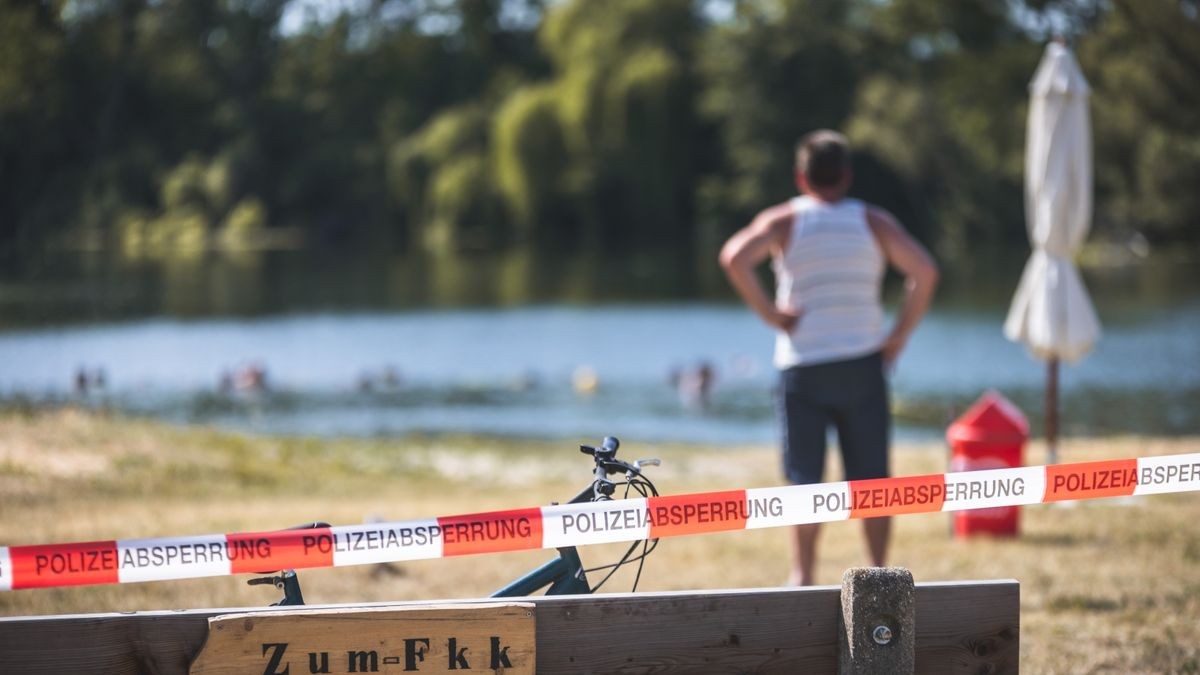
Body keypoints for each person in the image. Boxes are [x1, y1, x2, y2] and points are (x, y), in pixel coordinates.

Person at [719, 130, 939, 586]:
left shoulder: (784, 220)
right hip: (862, 364)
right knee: (873, 482)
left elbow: (734, 257)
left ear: (802, 176)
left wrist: (772, 316)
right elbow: (925, 271)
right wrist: (897, 337)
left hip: (803, 366)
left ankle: (802, 576)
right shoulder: (874, 222)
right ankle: (880, 577)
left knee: (805, 482)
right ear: (847, 175)